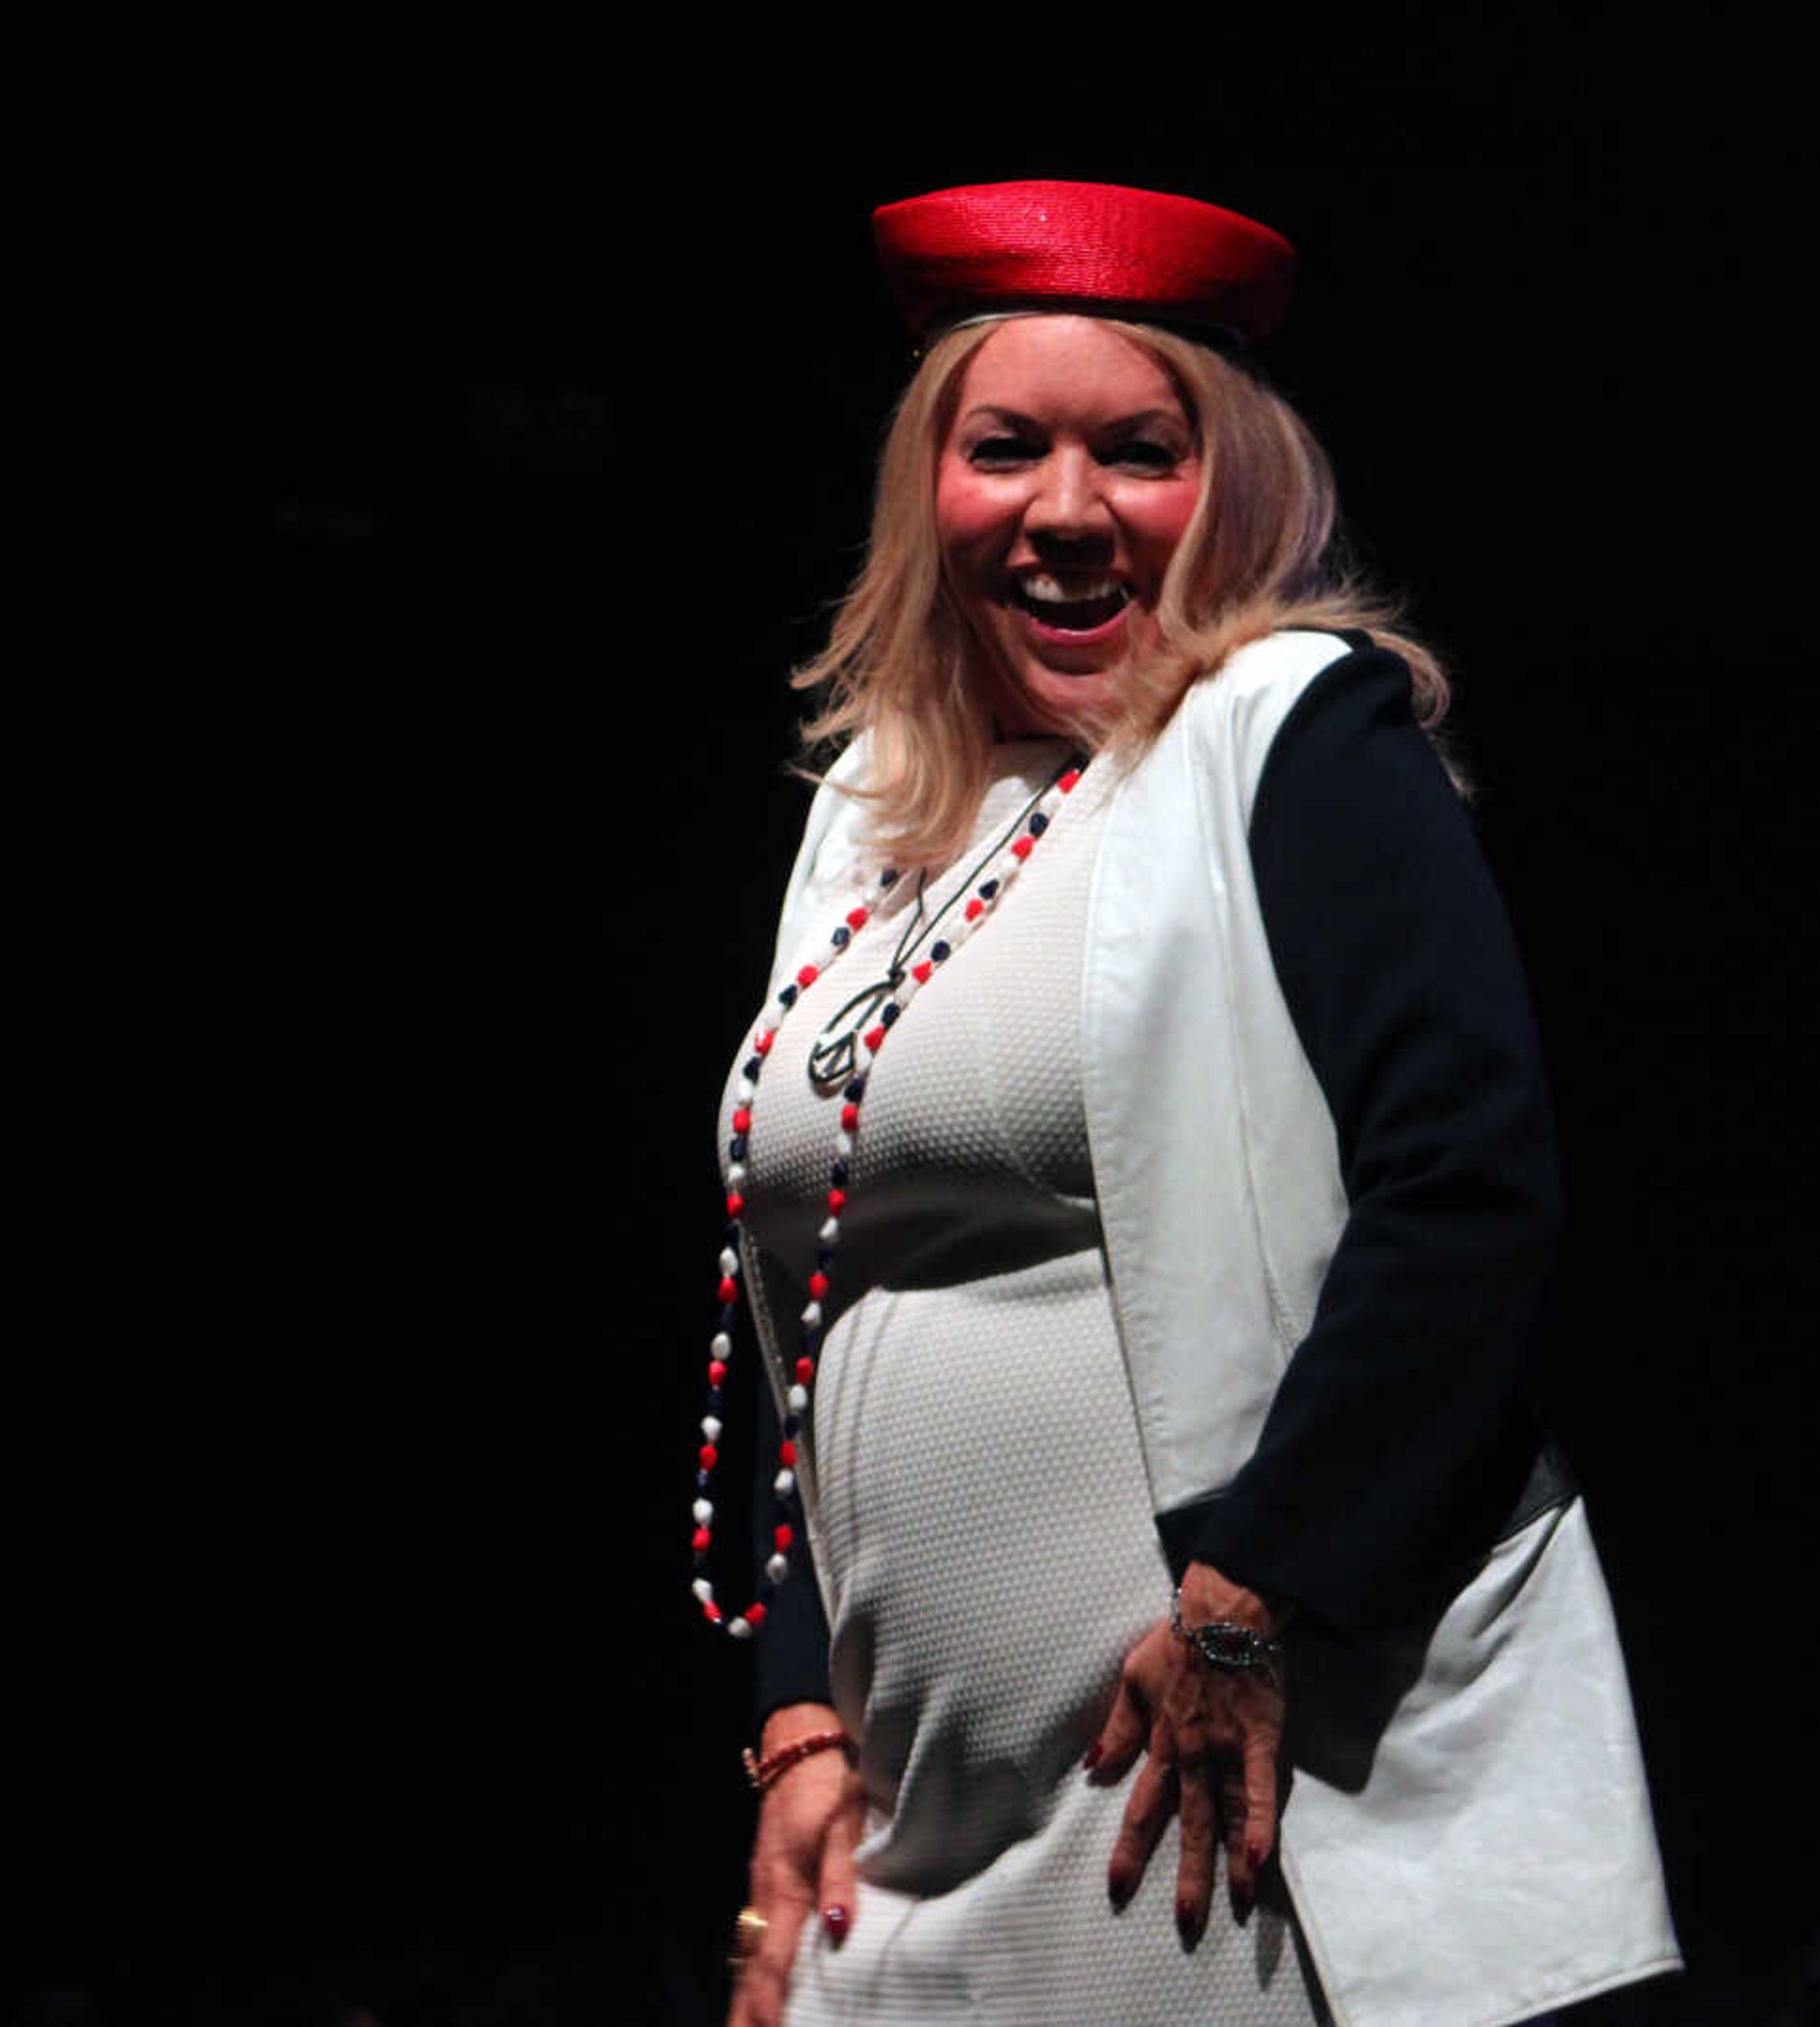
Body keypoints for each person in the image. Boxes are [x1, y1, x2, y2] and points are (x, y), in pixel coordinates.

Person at [688, 181, 1679, 2027]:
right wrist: (799, 1714)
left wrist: (1250, 1603)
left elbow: (1464, 1190)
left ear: (1231, 486)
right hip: (908, 1806)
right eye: (1008, 449)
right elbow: (807, 1301)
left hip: (1195, 1776)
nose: (1068, 512)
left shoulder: (1289, 734)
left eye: (1138, 453)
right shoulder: (871, 816)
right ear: (932, 488)